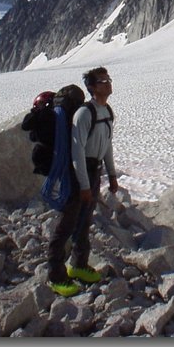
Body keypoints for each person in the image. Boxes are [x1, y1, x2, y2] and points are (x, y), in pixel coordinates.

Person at [47, 66, 119, 297]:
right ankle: (55, 275)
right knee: (68, 222)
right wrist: (84, 185)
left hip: (94, 170)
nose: (107, 84)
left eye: (108, 79)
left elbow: (106, 144)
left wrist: (112, 174)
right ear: (91, 87)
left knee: (84, 220)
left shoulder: (106, 111)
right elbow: (77, 151)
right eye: (102, 81)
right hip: (81, 173)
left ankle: (78, 264)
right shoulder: (84, 114)